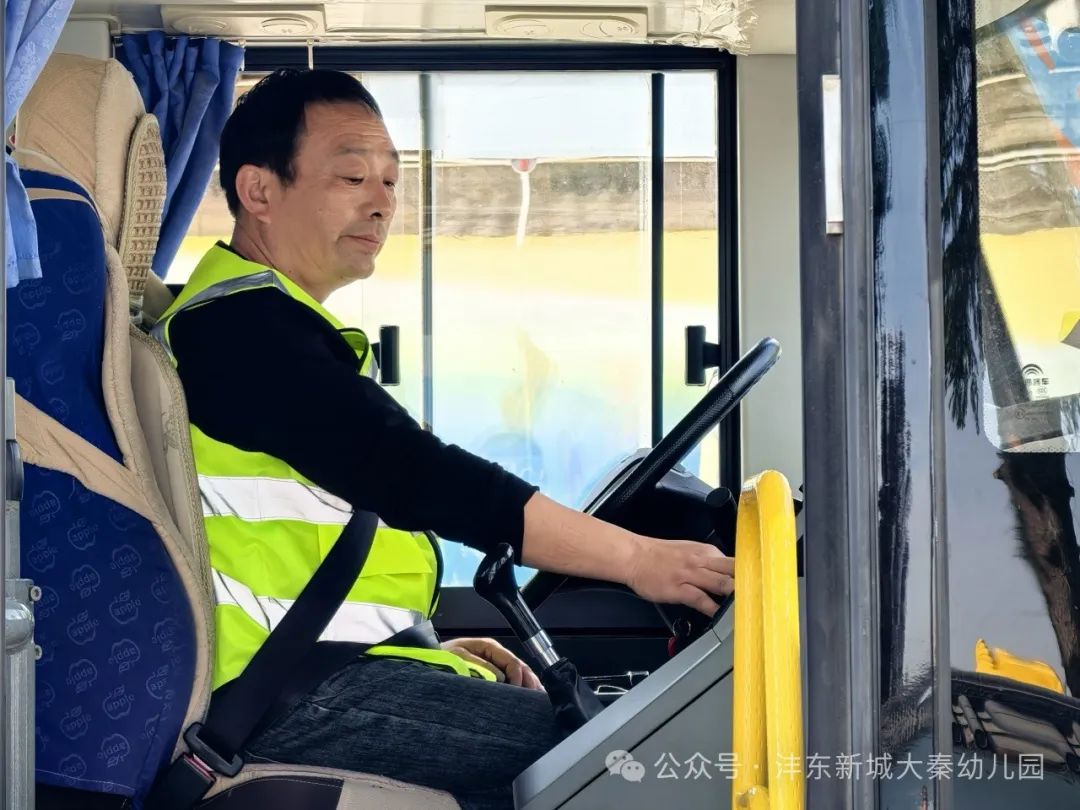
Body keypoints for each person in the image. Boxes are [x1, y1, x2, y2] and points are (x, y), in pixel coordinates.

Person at [154, 68, 734, 810]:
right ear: (260, 190)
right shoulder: (240, 333)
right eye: (353, 175)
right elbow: (419, 476)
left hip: (316, 674)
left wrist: (419, 653)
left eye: (392, 182)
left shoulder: (261, 323)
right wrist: (638, 558)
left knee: (616, 730)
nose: (383, 202)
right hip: (286, 697)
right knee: (633, 759)